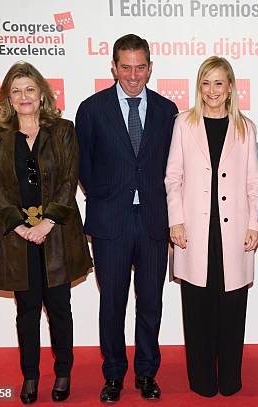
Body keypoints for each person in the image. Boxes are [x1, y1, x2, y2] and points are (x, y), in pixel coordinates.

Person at [75, 34, 178, 402]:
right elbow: (83, 166)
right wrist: (106, 196)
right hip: (110, 223)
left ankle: (147, 373)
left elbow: (173, 167)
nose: (133, 75)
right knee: (112, 303)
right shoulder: (91, 109)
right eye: (125, 67)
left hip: (153, 220)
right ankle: (114, 375)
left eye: (140, 67)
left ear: (150, 67)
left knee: (151, 303)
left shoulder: (168, 111)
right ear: (114, 68)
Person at [0, 61, 92, 404]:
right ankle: (30, 376)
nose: (24, 96)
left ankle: (63, 372)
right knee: (26, 311)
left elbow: (68, 181)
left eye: (30, 89)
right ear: (8, 99)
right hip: (18, 242)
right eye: (16, 91)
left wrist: (46, 224)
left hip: (57, 235)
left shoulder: (63, 129)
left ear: (42, 94)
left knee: (60, 308)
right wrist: (19, 226)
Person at [165, 56, 258, 397]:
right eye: (206, 83)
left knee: (232, 309)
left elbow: (254, 183)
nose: (212, 90)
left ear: (231, 87)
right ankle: (201, 380)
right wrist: (175, 219)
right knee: (198, 309)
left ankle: (230, 380)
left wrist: (255, 225)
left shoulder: (245, 128)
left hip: (235, 232)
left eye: (219, 83)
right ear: (199, 87)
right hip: (194, 231)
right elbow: (173, 177)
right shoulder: (184, 124)